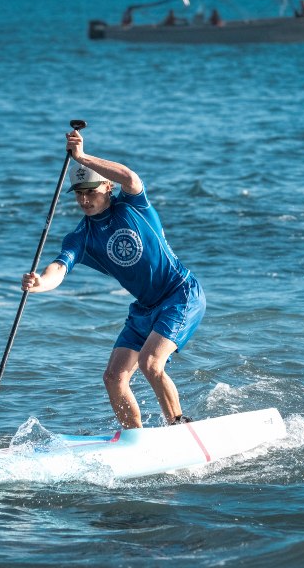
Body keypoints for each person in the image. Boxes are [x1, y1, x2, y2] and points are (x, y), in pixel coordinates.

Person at [21, 130, 206, 429]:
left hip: (180, 294)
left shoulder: (134, 205)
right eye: (79, 193)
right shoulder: (81, 236)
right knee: (113, 378)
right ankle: (135, 438)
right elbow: (59, 267)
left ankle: (179, 425)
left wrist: (81, 157)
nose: (84, 199)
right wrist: (40, 283)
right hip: (144, 308)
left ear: (107, 187)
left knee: (150, 364)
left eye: (90, 191)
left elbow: (129, 176)